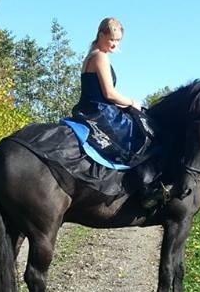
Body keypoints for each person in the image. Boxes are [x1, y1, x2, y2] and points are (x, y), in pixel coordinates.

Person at [70, 18, 167, 208]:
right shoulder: (100, 57)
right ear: (101, 35)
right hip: (100, 111)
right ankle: (144, 190)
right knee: (142, 135)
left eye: (118, 40)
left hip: (91, 107)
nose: (115, 44)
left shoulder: (92, 55)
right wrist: (132, 103)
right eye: (112, 39)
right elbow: (109, 93)